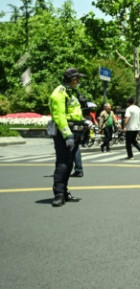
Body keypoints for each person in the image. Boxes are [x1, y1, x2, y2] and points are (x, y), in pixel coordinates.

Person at [48, 68, 86, 207]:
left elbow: (74, 112)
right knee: (63, 163)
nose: (79, 81)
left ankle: (64, 192)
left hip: (73, 131)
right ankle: (58, 195)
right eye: (78, 79)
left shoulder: (70, 92)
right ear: (72, 79)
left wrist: (83, 121)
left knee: (69, 163)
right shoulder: (59, 93)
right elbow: (59, 116)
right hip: (64, 133)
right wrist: (67, 134)